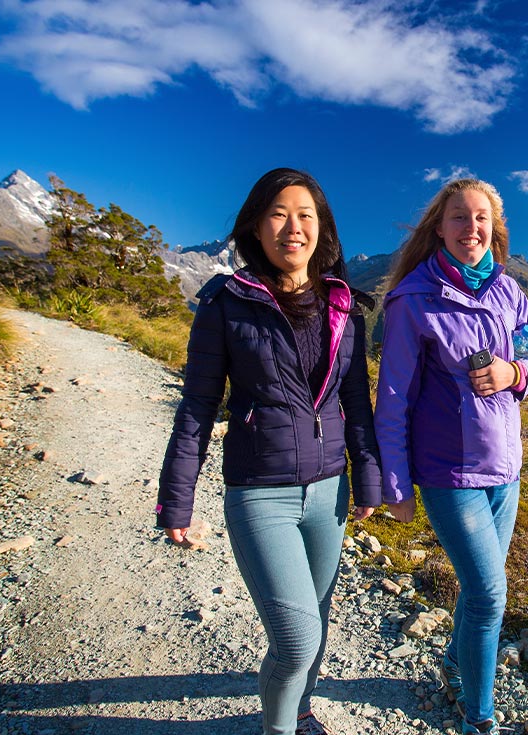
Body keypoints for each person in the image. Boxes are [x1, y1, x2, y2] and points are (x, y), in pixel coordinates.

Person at [155, 168, 382, 735]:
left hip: (331, 490)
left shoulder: (343, 306)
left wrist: (369, 481)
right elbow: (197, 407)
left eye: (306, 215)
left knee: (319, 619)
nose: (293, 227)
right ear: (256, 226)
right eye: (279, 214)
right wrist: (176, 498)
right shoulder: (226, 304)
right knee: (297, 636)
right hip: (260, 493)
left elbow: (357, 401)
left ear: (322, 228)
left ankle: (300, 712)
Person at [374, 178, 528, 734]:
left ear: (492, 228)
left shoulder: (509, 292)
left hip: (507, 471)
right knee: (488, 598)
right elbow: (394, 398)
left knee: (483, 589)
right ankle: (480, 719)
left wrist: (515, 373)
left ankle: (454, 665)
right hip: (450, 474)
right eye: (459, 217)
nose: (470, 228)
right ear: (439, 226)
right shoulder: (413, 299)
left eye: (481, 219)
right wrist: (396, 488)